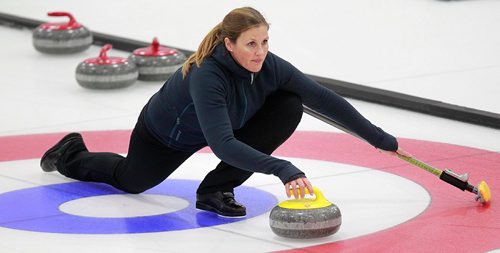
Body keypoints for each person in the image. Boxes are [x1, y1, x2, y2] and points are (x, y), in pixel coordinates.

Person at [40, 7, 409, 218]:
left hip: (227, 123)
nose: (260, 51)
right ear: (228, 44)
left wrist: (378, 138)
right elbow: (223, 144)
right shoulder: (207, 75)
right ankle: (72, 153)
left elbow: (323, 98)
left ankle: (216, 191)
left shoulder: (270, 65)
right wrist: (284, 170)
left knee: (289, 104)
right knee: (131, 180)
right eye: (251, 44)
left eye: (265, 42)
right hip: (166, 135)